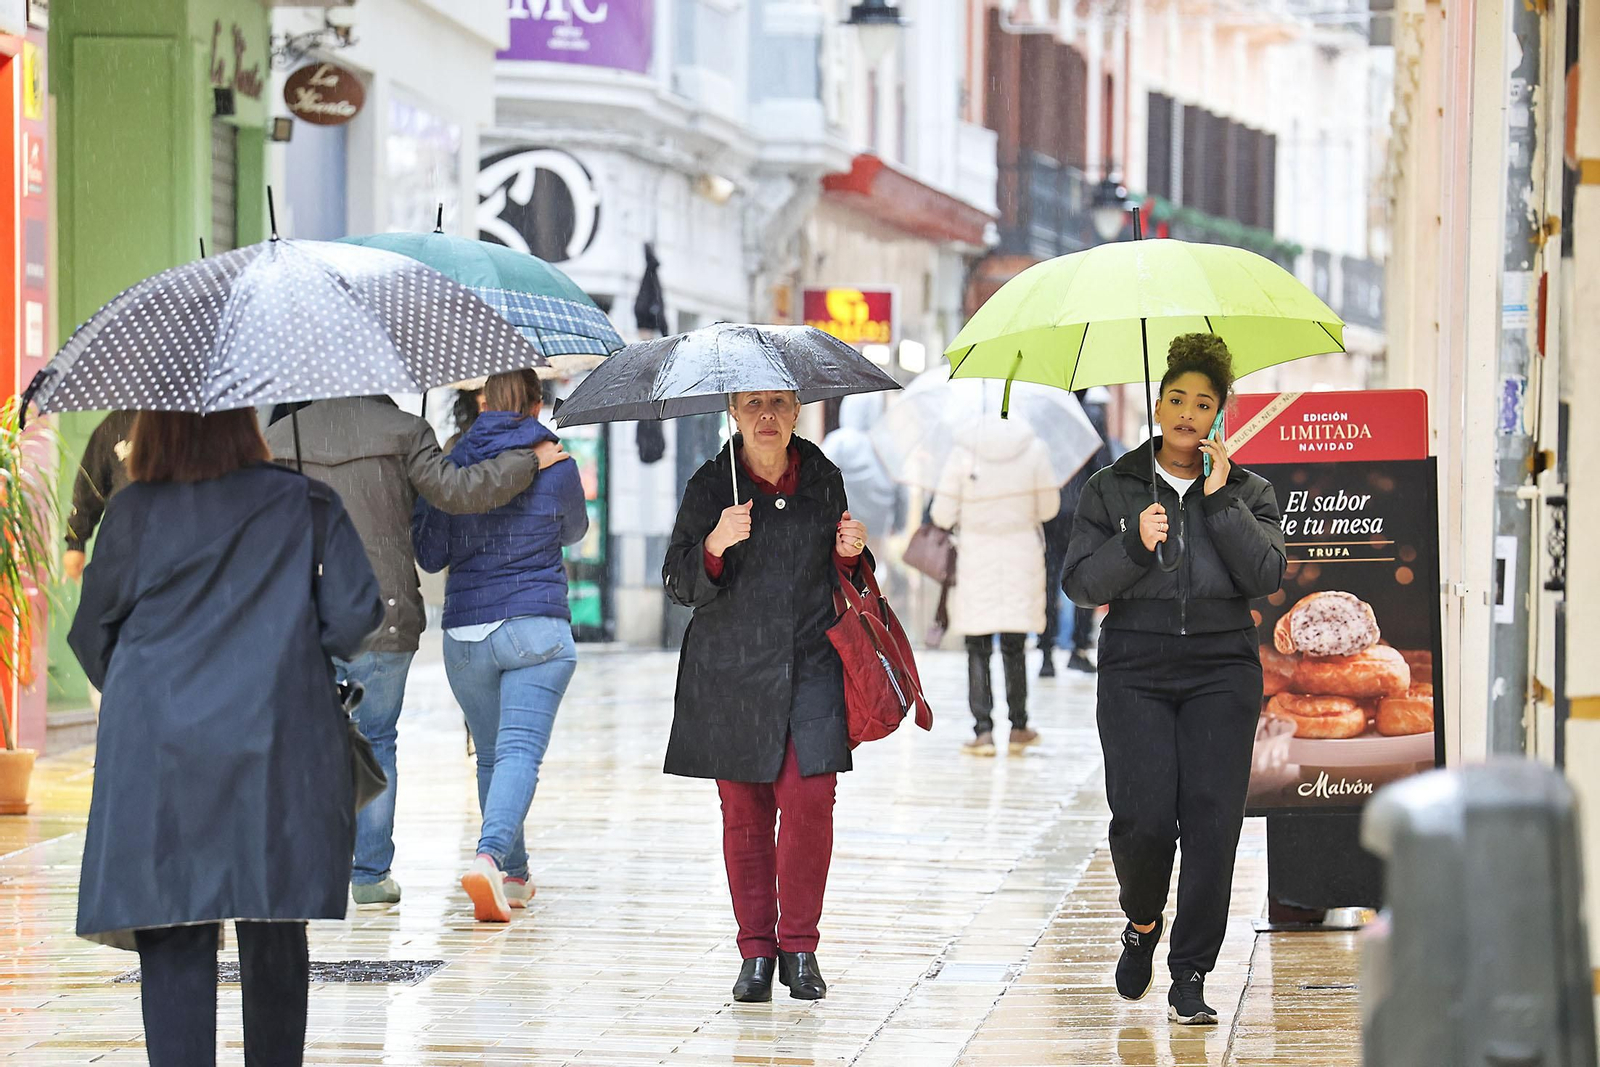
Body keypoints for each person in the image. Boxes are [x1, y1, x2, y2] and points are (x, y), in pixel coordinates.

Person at [69, 409, 383, 1066]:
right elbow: (357, 612)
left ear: (154, 434)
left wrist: (148, 691)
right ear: (247, 430)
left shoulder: (130, 514)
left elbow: (90, 632)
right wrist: (290, 652)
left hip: (158, 755)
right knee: (273, 922)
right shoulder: (305, 500)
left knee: (174, 932)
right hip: (275, 744)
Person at [263, 396, 566, 907]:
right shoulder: (403, 429)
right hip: (381, 610)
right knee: (377, 738)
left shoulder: (279, 439)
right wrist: (528, 460)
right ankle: (369, 875)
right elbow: (459, 494)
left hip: (303, 613)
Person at [1062, 334, 1285, 1026]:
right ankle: (1141, 920)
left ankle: (1190, 972)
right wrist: (1133, 542)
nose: (1188, 413)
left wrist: (1219, 505)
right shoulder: (1114, 486)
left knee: (1214, 825)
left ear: (1220, 412)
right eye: (1178, 399)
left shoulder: (1249, 490)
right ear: (1158, 403)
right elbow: (1077, 582)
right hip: (1136, 665)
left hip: (1223, 666)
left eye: (1204, 403)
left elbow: (1266, 575)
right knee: (1144, 818)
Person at [662, 390, 868, 1003]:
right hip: (732, 672)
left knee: (810, 801)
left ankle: (799, 946)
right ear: (733, 412)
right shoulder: (709, 485)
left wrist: (849, 554)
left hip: (812, 662)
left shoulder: (823, 477)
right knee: (745, 813)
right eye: (753, 405)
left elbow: (845, 576)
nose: (767, 416)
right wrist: (715, 545)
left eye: (779, 403)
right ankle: (755, 951)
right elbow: (677, 580)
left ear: (799, 409)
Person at [413, 370, 588, 923]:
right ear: (536, 405)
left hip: (465, 633)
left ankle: (513, 876)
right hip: (534, 626)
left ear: (485, 402)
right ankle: (489, 858)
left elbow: (431, 554)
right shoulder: (553, 460)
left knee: (491, 755)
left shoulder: (449, 462)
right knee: (516, 754)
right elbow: (574, 532)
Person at [931, 420, 1060, 757]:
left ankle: (983, 732)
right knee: (1015, 645)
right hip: (1022, 556)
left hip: (976, 556)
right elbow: (1050, 508)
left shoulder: (963, 454)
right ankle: (1019, 726)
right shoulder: (1035, 449)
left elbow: (941, 514)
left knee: (977, 645)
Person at [1040, 389, 1114, 676]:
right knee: (1084, 577)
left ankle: (1046, 652)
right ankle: (1078, 648)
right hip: (1082, 510)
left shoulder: (1043, 418)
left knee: (1047, 580)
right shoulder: (1091, 416)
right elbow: (1103, 466)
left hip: (1049, 509)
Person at [821, 392, 907, 551]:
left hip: (844, 526)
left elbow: (816, 478)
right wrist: (899, 525)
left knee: (841, 569)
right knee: (873, 569)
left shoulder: (839, 442)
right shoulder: (889, 445)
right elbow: (902, 491)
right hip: (878, 527)